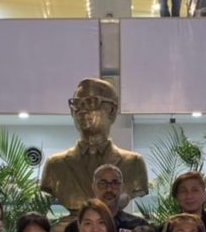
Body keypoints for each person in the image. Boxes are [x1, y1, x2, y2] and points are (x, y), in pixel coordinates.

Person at [41, 78, 150, 215]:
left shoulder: (134, 163)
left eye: (91, 103)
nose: (81, 110)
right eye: (77, 104)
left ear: (112, 110)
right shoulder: (55, 164)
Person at [59, 164, 148, 232]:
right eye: (102, 184)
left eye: (115, 183)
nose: (109, 189)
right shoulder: (74, 228)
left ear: (122, 187)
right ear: (93, 187)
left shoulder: (139, 226)